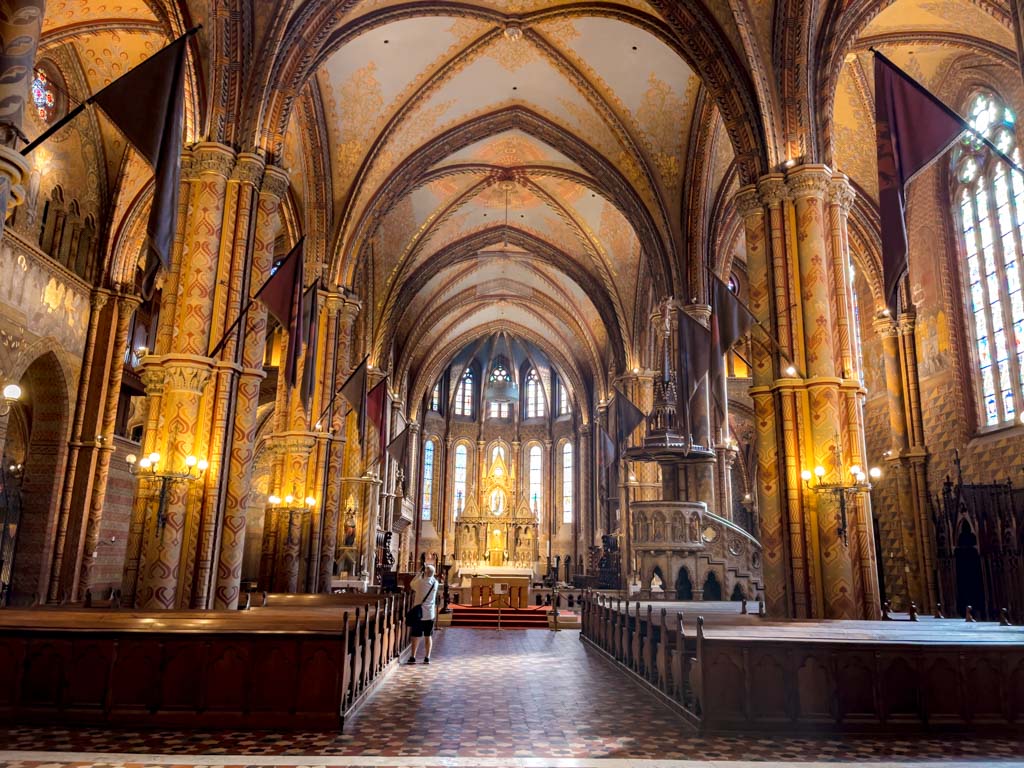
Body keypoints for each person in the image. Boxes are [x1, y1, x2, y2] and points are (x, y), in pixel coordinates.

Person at [407, 563, 438, 664]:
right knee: (428, 636)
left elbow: (411, 584)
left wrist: (420, 572)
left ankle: (413, 656)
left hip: (419, 614)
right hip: (430, 614)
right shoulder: (435, 583)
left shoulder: (420, 583)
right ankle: (427, 657)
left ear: (425, 572)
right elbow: (431, 576)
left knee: (416, 636)